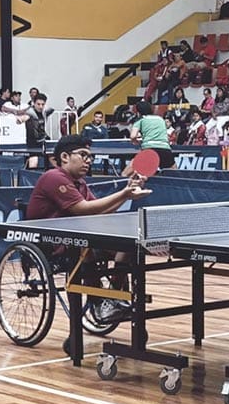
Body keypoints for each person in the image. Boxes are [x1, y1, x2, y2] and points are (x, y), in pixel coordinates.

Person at [26, 134, 151, 322]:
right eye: (83, 155)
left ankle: (113, 299)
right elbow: (83, 209)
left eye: (90, 157)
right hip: (51, 245)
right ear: (65, 157)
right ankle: (98, 302)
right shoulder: (53, 177)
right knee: (87, 246)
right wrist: (123, 193)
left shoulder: (80, 183)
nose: (88, 161)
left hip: (76, 240)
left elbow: (100, 212)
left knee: (129, 247)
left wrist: (127, 194)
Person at [126, 100, 176, 175]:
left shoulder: (140, 121)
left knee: (126, 173)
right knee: (174, 173)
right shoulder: (160, 119)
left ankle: (121, 182)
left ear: (139, 112)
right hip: (165, 149)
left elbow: (133, 136)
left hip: (149, 150)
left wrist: (136, 142)